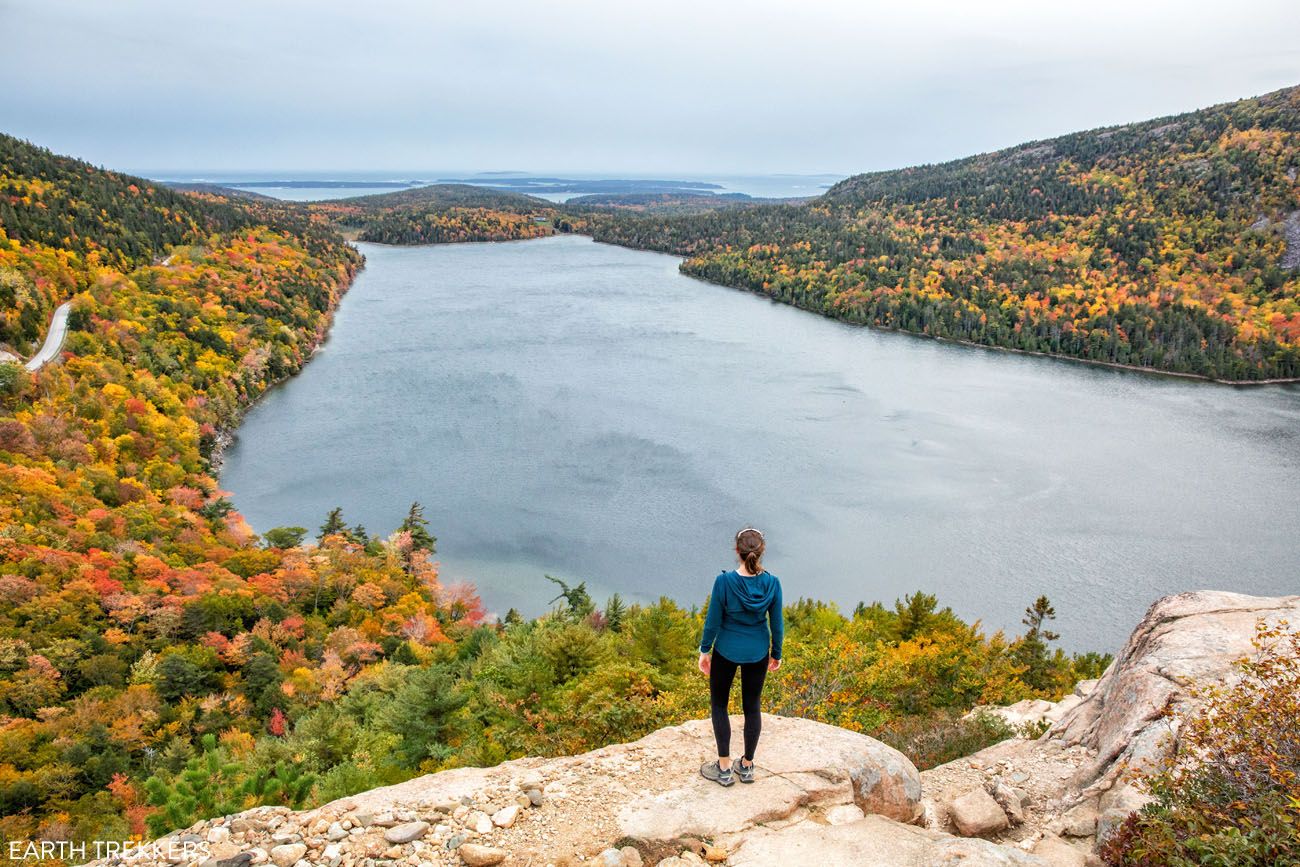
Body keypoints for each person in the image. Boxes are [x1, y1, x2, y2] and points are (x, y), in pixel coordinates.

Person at [697, 527, 784, 787]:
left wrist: (704, 651)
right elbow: (777, 624)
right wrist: (776, 653)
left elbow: (712, 621)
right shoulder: (772, 583)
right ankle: (746, 766)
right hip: (757, 652)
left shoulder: (724, 582)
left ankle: (724, 768)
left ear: (737, 551)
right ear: (761, 551)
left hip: (726, 650)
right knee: (752, 707)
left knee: (720, 705)